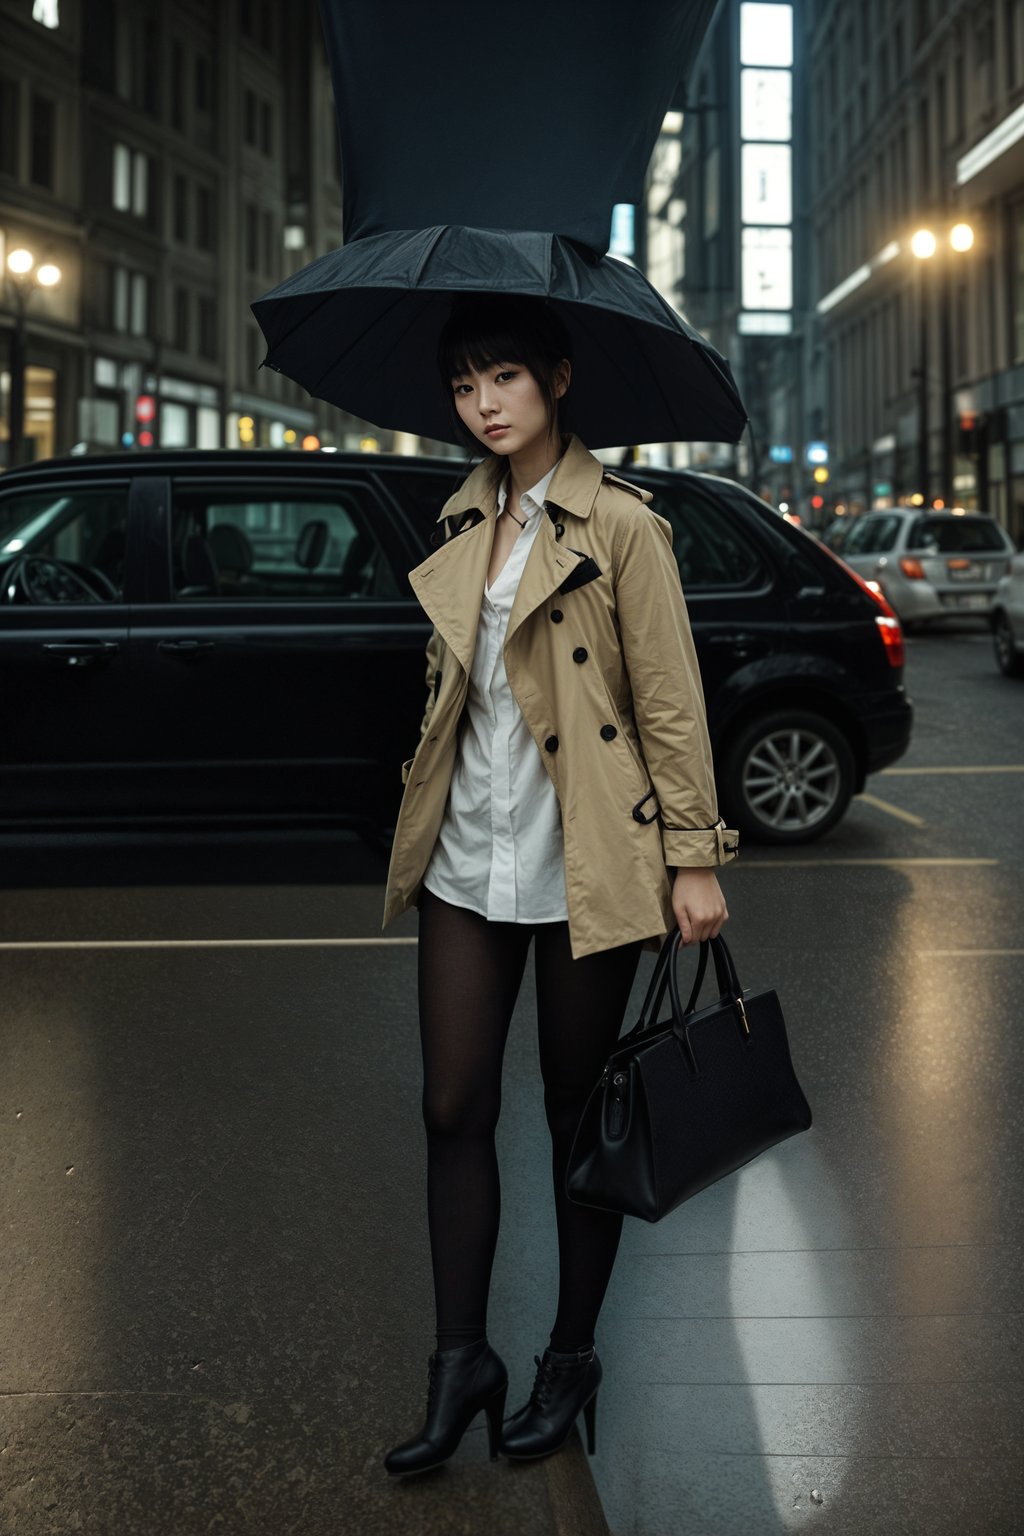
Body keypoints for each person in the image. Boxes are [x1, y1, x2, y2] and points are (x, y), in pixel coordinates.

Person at [380, 293, 738, 1477]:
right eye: (463, 386)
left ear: (559, 382)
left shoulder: (623, 527)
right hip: (466, 852)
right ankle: (458, 1361)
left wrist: (693, 856)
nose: (483, 404)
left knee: (577, 1117)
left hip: (587, 848)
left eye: (505, 380)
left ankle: (570, 1355)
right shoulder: (456, 516)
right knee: (450, 1106)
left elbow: (670, 699)